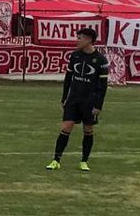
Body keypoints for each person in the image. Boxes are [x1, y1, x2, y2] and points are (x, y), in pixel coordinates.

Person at [46, 28, 109, 171]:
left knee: (88, 129)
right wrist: (64, 98)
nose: (77, 40)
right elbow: (68, 78)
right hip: (74, 99)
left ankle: (84, 161)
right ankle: (56, 160)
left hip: (90, 101)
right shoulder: (74, 56)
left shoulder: (101, 60)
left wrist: (98, 105)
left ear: (88, 40)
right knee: (66, 127)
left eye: (80, 38)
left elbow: (103, 86)